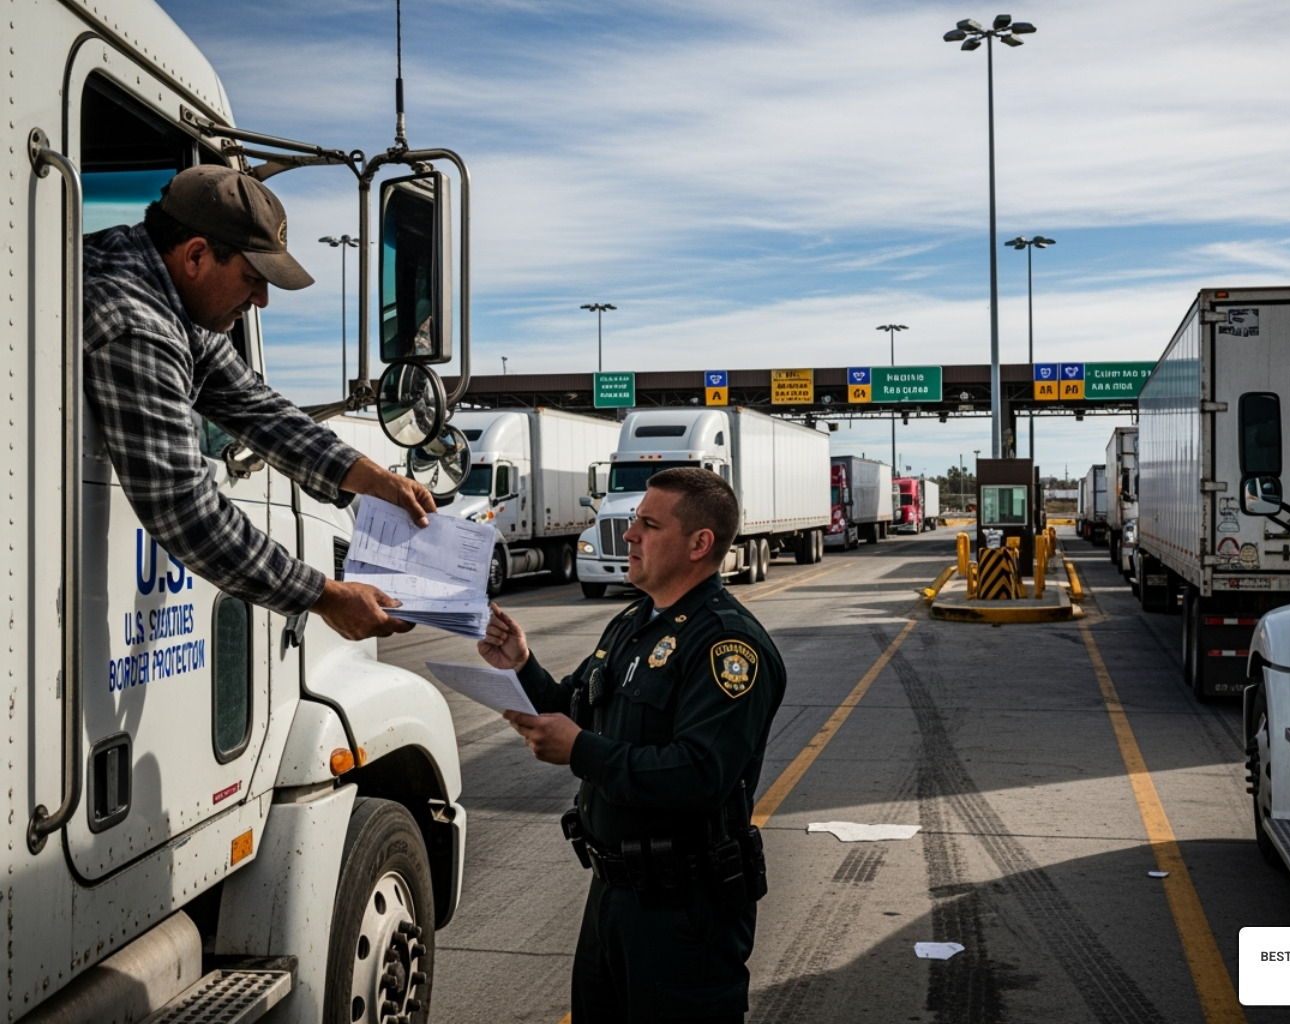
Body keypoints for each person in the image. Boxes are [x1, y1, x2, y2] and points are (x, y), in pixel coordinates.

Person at [478, 467, 785, 1023]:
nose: (629, 534)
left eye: (648, 523)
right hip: (612, 898)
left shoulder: (727, 644)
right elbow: (575, 706)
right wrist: (521, 665)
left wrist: (580, 752)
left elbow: (699, 774)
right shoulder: (632, 623)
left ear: (699, 544)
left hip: (684, 913)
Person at [83, 163, 433, 640]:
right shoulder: (135, 322)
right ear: (196, 256)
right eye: (252, 277)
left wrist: (369, 477)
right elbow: (184, 508)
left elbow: (253, 404)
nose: (263, 299)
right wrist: (324, 596)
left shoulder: (165, 290)